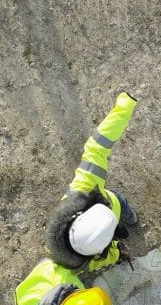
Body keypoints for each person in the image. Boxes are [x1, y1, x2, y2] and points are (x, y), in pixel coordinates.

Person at [45, 92, 139, 273]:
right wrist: (118, 254)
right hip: (114, 204)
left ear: (79, 215)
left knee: (118, 200)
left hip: (114, 202)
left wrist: (123, 110)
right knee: (119, 201)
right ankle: (128, 215)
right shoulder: (82, 261)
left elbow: (97, 147)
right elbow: (100, 259)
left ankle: (127, 214)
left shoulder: (82, 190)